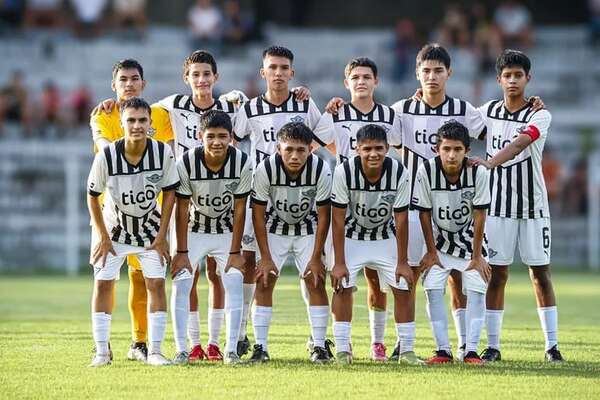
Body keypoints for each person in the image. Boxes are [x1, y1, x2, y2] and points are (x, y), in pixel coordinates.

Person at [313, 57, 415, 363]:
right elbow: (320, 143)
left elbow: (399, 147)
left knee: (381, 282)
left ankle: (381, 343)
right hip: (349, 199)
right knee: (346, 281)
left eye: (366, 76)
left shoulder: (389, 115)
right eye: (355, 77)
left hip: (380, 206)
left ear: (376, 81)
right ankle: (343, 347)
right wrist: (347, 157)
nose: (361, 81)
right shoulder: (336, 112)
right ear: (347, 83)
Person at [472, 50, 564, 363]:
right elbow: (455, 124)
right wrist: (424, 96)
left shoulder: (540, 114)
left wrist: (489, 162)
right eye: (507, 75)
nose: (512, 81)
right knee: (497, 276)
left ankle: (552, 346)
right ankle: (493, 346)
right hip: (497, 207)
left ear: (528, 79)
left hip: (534, 208)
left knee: (541, 274)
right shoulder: (487, 111)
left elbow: (520, 143)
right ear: (498, 79)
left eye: (518, 75)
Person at [233, 45, 321, 357]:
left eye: (284, 68)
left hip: (297, 200)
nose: (279, 73)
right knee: (250, 267)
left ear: (292, 73)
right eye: (273, 67)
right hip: (260, 198)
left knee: (311, 272)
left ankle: (317, 338)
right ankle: (243, 333)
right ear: (263, 72)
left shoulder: (304, 103)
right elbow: (231, 138)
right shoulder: (249, 109)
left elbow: (323, 137)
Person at [90, 59, 174, 363]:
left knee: (145, 279)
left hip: (150, 211)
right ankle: (102, 346)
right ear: (114, 85)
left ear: (144, 83)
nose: (129, 84)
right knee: (106, 279)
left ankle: (141, 343)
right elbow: (102, 145)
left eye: (134, 78)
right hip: (109, 210)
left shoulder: (161, 114)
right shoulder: (103, 114)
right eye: (123, 79)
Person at [170, 110, 252, 365]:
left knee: (234, 281)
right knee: (182, 282)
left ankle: (229, 350)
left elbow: (240, 209)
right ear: (199, 136)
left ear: (231, 138)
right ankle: (183, 349)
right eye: (211, 136)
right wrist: (181, 252)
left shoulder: (242, 161)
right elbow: (181, 208)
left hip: (226, 231)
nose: (217, 142)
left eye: (223, 136)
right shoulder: (186, 161)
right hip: (194, 230)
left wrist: (235, 251)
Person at [249, 122, 332, 363]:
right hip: (275, 228)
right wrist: (264, 257)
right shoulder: (266, 168)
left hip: (308, 229)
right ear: (278, 149)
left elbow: (324, 213)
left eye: (300, 150)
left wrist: (317, 257)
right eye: (289, 150)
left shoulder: (321, 169)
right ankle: (260, 346)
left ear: (310, 149)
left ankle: (319, 346)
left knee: (315, 281)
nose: (295, 155)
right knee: (264, 280)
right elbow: (258, 213)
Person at [329, 124, 412, 364]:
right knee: (342, 284)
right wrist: (339, 261)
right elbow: (338, 217)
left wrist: (403, 261)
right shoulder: (344, 171)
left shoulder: (398, 171)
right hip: (353, 237)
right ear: (357, 149)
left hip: (384, 236)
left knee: (403, 285)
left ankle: (406, 350)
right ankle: (343, 350)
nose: (373, 153)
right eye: (367, 149)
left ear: (387, 148)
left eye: (379, 148)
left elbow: (402, 217)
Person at [412, 121, 491, 365]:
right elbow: (424, 212)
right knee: (433, 288)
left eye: (457, 149)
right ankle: (442, 350)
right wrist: (431, 252)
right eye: (446, 149)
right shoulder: (426, 170)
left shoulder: (479, 172)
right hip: (439, 242)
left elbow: (480, 214)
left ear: (467, 150)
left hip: (470, 242)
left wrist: (477, 257)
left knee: (477, 288)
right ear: (437, 149)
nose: (451, 154)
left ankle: (470, 351)